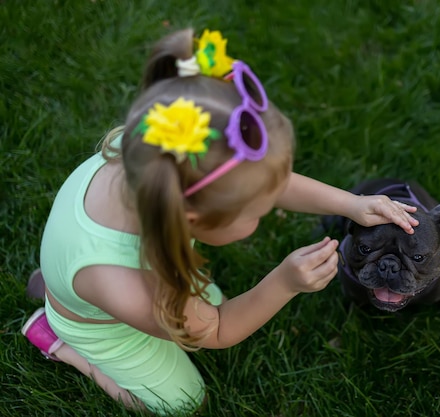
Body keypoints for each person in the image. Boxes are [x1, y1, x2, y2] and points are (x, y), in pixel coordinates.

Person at [21, 27, 419, 415]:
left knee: (203, 307)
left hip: (93, 276)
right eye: (256, 212)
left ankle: (61, 291)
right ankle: (61, 341)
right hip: (108, 326)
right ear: (192, 218)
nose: (264, 215)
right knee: (183, 402)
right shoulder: (126, 281)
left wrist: (352, 203)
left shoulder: (161, 152)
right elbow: (216, 330)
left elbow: (265, 181)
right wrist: (285, 282)